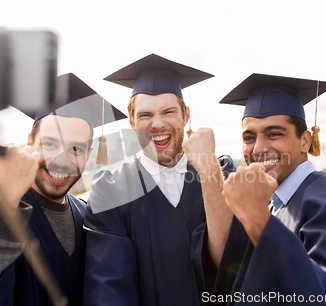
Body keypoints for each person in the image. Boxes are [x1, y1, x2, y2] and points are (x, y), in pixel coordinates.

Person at [192, 73, 326, 305]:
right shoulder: (277, 203)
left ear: (305, 141)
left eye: (274, 134)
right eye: (249, 137)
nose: (259, 148)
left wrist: (257, 219)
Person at [0, 73, 126, 306]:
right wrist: (3, 203)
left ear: (89, 155)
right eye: (50, 144)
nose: (60, 161)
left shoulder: (86, 215)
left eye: (76, 149)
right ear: (30, 143)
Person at [83, 54, 235, 306]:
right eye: (145, 115)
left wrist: (209, 172)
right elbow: (109, 287)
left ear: (186, 115)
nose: (157, 123)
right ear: (132, 122)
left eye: (168, 111)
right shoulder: (111, 191)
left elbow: (241, 266)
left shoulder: (221, 174)